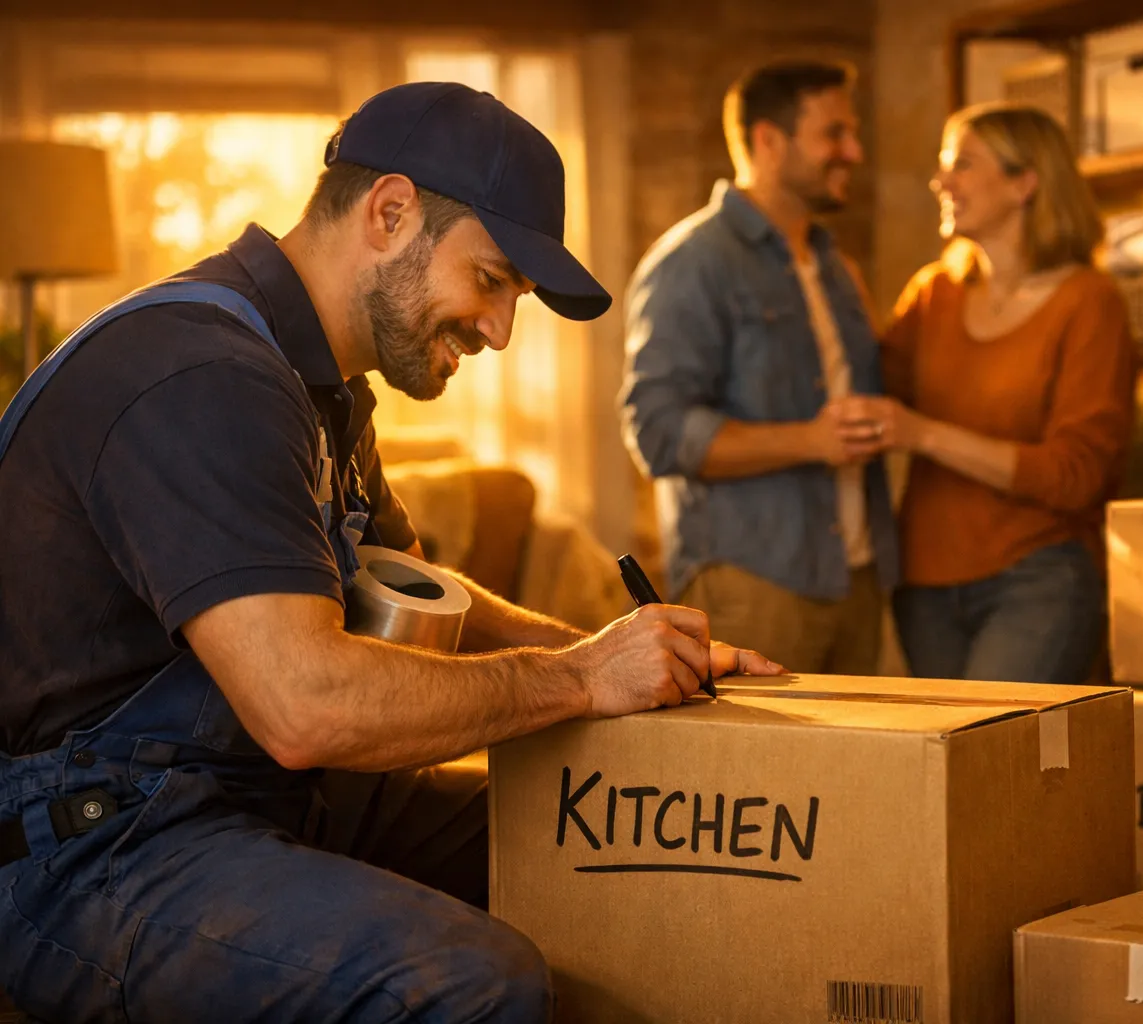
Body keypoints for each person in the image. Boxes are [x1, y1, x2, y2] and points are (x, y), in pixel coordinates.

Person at [0, 82, 779, 1023]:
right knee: (474, 983)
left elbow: (419, 590)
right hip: (92, 844)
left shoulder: (321, 387)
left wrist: (631, 656)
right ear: (390, 212)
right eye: (492, 280)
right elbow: (304, 704)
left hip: (252, 791)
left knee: (620, 847)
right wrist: (580, 679)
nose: (500, 331)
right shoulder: (202, 376)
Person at [620, 60, 899, 675]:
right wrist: (810, 441)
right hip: (754, 581)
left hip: (856, 579)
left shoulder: (834, 266)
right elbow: (657, 432)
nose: (854, 152)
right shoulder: (692, 262)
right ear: (769, 141)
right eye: (834, 134)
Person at [851, 103, 1135, 685]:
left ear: (1024, 183)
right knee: (946, 747)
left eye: (962, 164)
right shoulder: (934, 293)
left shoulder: (1089, 302)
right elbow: (871, 390)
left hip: (1039, 578)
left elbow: (1076, 475)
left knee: (991, 741)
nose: (941, 181)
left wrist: (925, 435)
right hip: (924, 587)